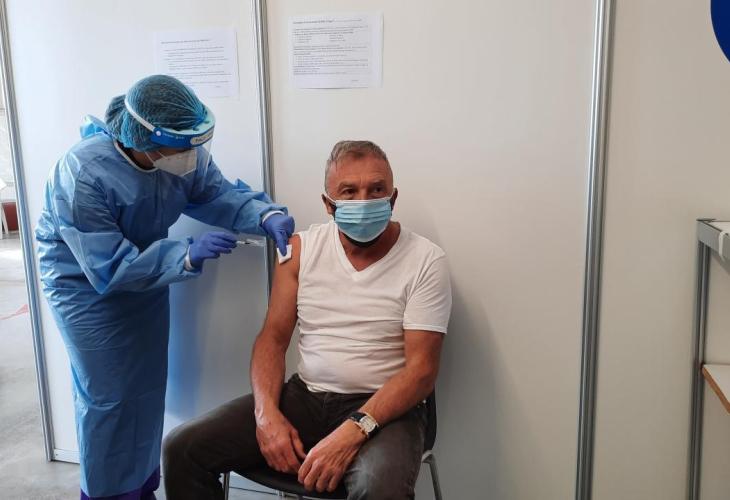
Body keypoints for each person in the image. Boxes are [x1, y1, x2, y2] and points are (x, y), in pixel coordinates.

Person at [34, 74, 295, 500]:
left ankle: (140, 487)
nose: (191, 157)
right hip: (84, 288)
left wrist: (263, 215)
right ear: (145, 140)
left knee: (146, 389)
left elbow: (216, 194)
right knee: (109, 398)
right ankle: (106, 494)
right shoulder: (82, 174)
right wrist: (185, 255)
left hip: (149, 275)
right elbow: (107, 266)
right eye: (181, 147)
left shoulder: (178, 156)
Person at [163, 140, 452, 499]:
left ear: (392, 199)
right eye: (349, 191)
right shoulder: (300, 251)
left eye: (376, 190)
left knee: (378, 487)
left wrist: (353, 431)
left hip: (385, 409)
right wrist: (266, 415)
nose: (363, 201)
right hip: (307, 397)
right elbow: (272, 338)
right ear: (328, 204)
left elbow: (421, 371)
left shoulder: (425, 260)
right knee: (182, 449)